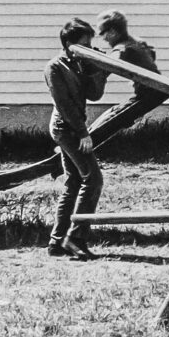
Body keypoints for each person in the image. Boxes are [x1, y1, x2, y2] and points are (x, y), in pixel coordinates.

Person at [45, 19, 107, 258]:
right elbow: (64, 104)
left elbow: (94, 95)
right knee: (93, 180)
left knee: (73, 184)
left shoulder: (79, 64)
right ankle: (75, 238)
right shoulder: (54, 67)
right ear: (69, 44)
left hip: (74, 127)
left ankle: (57, 241)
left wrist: (96, 69)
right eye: (84, 44)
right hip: (65, 127)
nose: (88, 47)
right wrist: (83, 133)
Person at [97, 9, 163, 105]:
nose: (103, 39)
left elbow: (108, 65)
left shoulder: (122, 48)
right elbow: (152, 53)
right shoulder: (138, 42)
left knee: (105, 120)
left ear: (112, 32)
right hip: (156, 89)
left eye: (102, 33)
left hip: (146, 94)